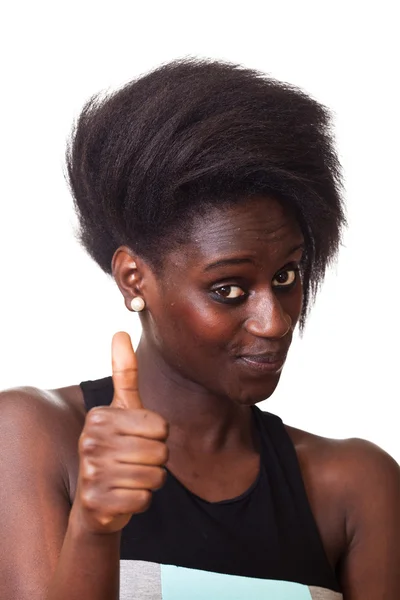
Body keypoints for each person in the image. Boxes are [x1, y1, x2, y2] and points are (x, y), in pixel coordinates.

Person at [0, 59, 398, 600]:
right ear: (134, 278)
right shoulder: (33, 435)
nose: (275, 320)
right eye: (228, 290)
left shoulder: (355, 486)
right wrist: (94, 528)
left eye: (285, 277)